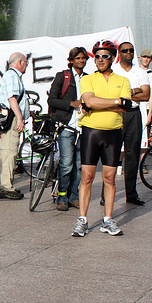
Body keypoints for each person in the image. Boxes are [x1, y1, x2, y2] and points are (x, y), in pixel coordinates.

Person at [71, 39, 131, 237]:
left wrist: (98, 104)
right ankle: (82, 220)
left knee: (109, 178)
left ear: (113, 58)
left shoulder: (123, 81)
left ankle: (107, 220)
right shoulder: (87, 79)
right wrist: (115, 101)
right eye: (97, 56)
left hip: (114, 133)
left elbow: (126, 107)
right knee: (87, 177)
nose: (100, 59)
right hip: (91, 132)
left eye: (105, 56)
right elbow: (88, 101)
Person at [47, 47, 88, 211]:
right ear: (71, 60)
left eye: (84, 58)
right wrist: (71, 104)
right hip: (66, 127)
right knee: (66, 163)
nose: (81, 61)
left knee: (79, 165)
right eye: (78, 58)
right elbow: (52, 100)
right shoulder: (62, 76)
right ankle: (61, 196)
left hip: (83, 128)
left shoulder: (89, 78)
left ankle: (74, 196)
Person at [109, 41, 149, 206]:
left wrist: (124, 94)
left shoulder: (140, 72)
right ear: (119, 52)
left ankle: (131, 194)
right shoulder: (113, 70)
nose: (129, 52)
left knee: (132, 155)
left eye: (131, 50)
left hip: (133, 115)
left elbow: (146, 95)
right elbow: (110, 94)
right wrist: (134, 90)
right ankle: (107, 193)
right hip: (116, 113)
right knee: (111, 154)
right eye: (125, 50)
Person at [0, 53, 29, 200]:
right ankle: (6, 187)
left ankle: (2, 184)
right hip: (12, 119)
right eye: (26, 62)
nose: (27, 65)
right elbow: (11, 97)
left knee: (7, 152)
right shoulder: (12, 76)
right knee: (10, 152)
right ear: (20, 62)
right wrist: (20, 118)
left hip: (12, 118)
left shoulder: (12, 75)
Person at [139, 49, 152, 174]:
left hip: (145, 108)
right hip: (133, 107)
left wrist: (150, 113)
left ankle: (142, 163)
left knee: (144, 137)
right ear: (140, 58)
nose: (146, 59)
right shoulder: (135, 72)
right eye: (144, 57)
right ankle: (120, 163)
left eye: (148, 57)